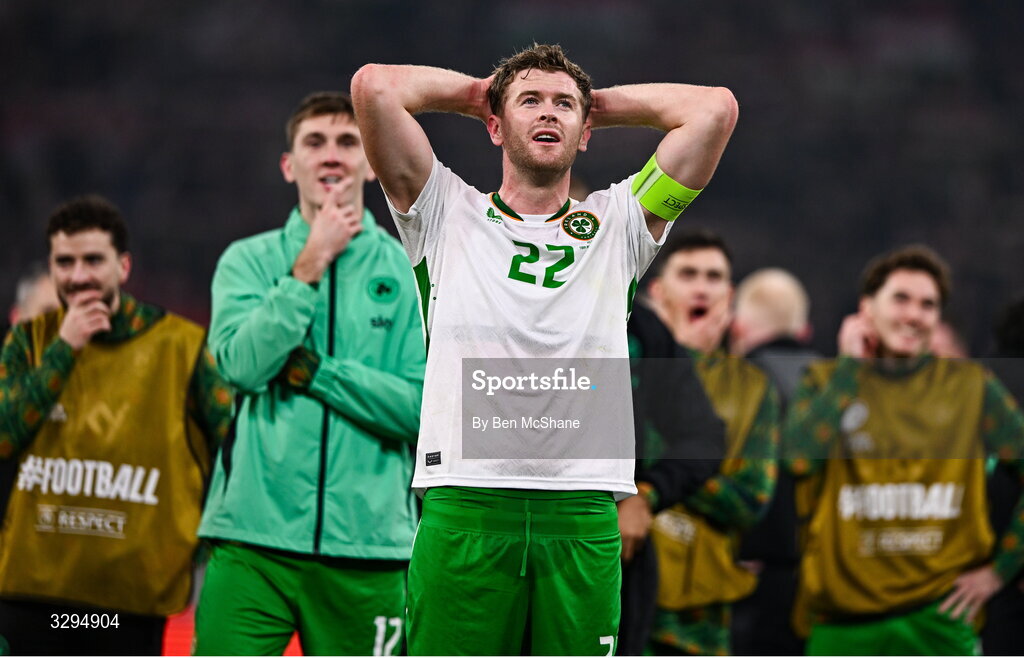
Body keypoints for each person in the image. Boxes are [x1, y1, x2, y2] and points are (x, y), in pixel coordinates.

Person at [352, 43, 737, 655]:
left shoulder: (620, 224)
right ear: (495, 128)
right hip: (466, 501)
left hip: (583, 510)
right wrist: (484, 95)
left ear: (585, 132)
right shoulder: (444, 214)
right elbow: (374, 88)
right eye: (530, 102)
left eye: (563, 106)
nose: (548, 113)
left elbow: (714, 110)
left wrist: (592, 108)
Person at [192, 91, 426, 656]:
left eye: (348, 143)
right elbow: (244, 368)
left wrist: (316, 372)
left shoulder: (411, 267)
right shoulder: (246, 262)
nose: (330, 156)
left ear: (371, 162)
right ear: (288, 164)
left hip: (369, 549)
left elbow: (424, 410)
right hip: (253, 542)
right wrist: (307, 266)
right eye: (314, 143)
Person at [0, 195, 233, 656]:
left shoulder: (180, 348)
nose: (78, 275)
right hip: (32, 589)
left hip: (129, 594)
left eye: (93, 260)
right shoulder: (27, 343)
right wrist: (65, 347)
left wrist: (196, 549)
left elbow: (232, 449)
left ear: (123, 267)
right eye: (64, 262)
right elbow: (5, 435)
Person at [784, 245, 1024, 656]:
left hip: (940, 622)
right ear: (866, 308)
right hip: (842, 623)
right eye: (901, 299)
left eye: (928, 304)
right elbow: (798, 460)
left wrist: (1000, 572)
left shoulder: (970, 387)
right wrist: (850, 368)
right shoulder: (827, 380)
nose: (914, 314)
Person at [642, 229, 780, 656]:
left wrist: (661, 476)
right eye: (688, 274)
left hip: (701, 619)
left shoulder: (754, 387)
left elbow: (750, 501)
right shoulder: (624, 361)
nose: (701, 286)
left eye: (714, 276)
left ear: (730, 293)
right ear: (657, 290)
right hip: (621, 582)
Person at [618, 299, 727, 655]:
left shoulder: (641, 327)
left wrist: (646, 492)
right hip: (497, 532)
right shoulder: (489, 298)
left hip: (616, 555)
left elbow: (704, 436)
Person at [728, 267, 819, 655]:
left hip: (752, 578)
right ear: (805, 331)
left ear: (738, 328)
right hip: (826, 581)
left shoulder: (737, 382)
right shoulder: (837, 384)